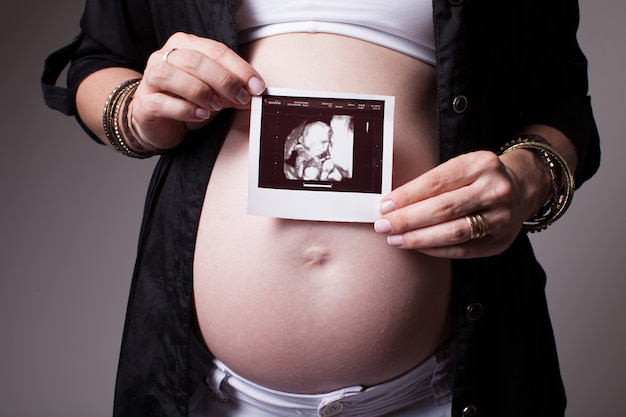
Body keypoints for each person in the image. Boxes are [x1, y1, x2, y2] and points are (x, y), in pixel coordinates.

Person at [41, 1, 601, 416]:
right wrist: (133, 109)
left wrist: (527, 178)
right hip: (209, 395)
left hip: (449, 389)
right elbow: (97, 59)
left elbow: (560, 99)